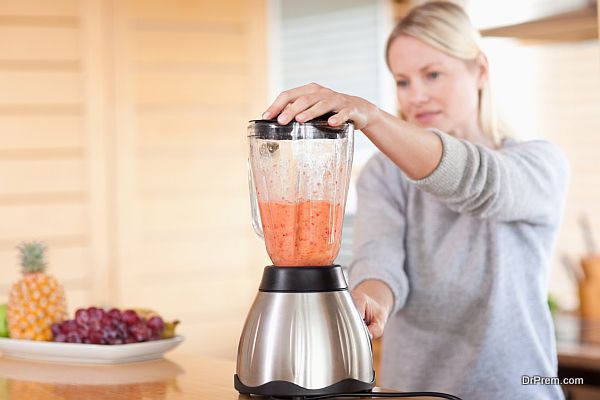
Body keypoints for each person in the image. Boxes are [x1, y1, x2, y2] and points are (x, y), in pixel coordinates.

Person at [261, 2, 569, 399]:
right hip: (410, 390)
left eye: (433, 74)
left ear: (479, 69)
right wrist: (371, 299)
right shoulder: (384, 174)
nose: (416, 96)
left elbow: (476, 181)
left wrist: (369, 116)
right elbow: (379, 258)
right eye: (403, 81)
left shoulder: (539, 164)